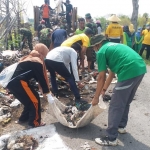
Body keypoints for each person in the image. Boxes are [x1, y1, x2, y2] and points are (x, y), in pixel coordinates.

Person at [90, 34, 146, 146]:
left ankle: (111, 138)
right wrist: (103, 90)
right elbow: (111, 73)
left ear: (97, 45)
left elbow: (101, 77)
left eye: (93, 47)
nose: (94, 49)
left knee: (115, 105)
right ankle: (121, 126)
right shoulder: (113, 46)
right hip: (140, 69)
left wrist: (95, 98)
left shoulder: (101, 51)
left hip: (129, 71)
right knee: (125, 101)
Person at [6, 43, 50, 128]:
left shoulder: (27, 58)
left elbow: (36, 76)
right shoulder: (36, 61)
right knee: (35, 100)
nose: (44, 57)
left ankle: (23, 119)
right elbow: (41, 78)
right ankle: (35, 122)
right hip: (19, 82)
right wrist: (47, 92)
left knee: (29, 101)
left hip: (11, 83)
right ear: (42, 52)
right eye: (45, 54)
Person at [45, 43, 90, 110]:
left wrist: (68, 79)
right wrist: (78, 81)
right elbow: (74, 67)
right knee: (70, 78)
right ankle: (78, 98)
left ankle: (55, 92)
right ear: (77, 50)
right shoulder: (73, 52)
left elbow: (67, 65)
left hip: (47, 59)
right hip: (56, 59)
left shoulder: (65, 50)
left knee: (52, 75)